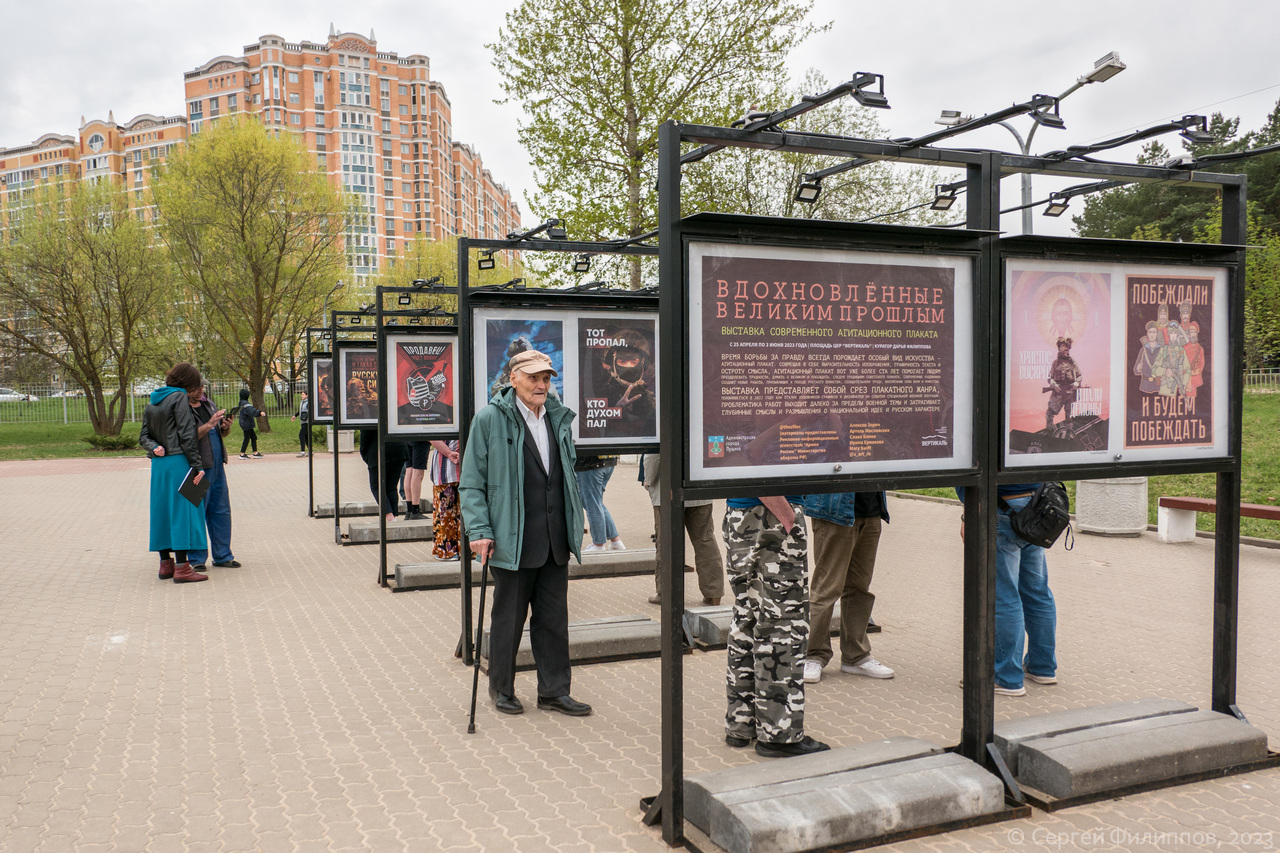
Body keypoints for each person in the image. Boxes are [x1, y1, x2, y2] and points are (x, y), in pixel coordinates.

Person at [460, 349, 590, 718]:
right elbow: (471, 484)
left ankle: (554, 691)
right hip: (511, 537)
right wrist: (479, 530)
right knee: (508, 619)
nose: (541, 385)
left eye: (546, 378)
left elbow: (563, 474)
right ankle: (502, 688)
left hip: (553, 538)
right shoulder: (489, 419)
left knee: (553, 620)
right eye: (533, 377)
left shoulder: (557, 418)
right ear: (513, 378)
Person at [722, 494, 828, 758]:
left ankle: (742, 722)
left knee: (747, 618)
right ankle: (779, 735)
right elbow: (758, 458)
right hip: (770, 516)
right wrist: (788, 517)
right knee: (782, 627)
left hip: (744, 515)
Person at [958, 484, 1057, 696]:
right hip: (1036, 503)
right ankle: (1042, 668)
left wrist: (967, 514)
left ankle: (1005, 677)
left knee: (1003, 594)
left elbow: (978, 469)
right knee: (1037, 592)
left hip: (1001, 506)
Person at [800, 491, 893, 683]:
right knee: (827, 587)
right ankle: (814, 655)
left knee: (860, 587)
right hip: (835, 511)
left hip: (872, 510)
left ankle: (856, 656)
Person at [137, 362, 209, 584]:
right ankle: (182, 568)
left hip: (159, 466)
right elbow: (188, 435)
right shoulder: (179, 398)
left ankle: (165, 564)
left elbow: (143, 436)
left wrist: (153, 448)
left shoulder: (153, 401)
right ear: (188, 382)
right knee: (183, 511)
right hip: (179, 462)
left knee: (162, 511)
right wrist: (197, 466)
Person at [639, 452, 724, 607]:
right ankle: (714, 592)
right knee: (705, 540)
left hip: (668, 491)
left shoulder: (661, 425)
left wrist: (648, 480)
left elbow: (654, 455)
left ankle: (665, 592)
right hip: (700, 487)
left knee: (666, 543)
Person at [187, 386, 240, 571]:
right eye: (197, 387)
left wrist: (224, 427)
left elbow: (219, 433)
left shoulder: (208, 403)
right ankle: (196, 558)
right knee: (196, 512)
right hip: (198, 468)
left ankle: (223, 555)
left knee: (221, 511)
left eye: (203, 387)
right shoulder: (183, 408)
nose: (201, 391)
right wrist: (209, 424)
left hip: (217, 465)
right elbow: (187, 437)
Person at [575, 454, 625, 552]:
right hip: (608, 460)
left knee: (592, 503)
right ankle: (615, 541)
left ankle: (598, 544)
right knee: (595, 502)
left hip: (589, 463)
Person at [358, 429, 409, 521]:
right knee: (391, 487)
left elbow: (365, 437)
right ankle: (393, 516)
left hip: (378, 451)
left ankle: (389, 516)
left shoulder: (371, 415)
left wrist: (366, 455)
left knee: (376, 486)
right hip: (399, 449)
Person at [428, 439, 461, 560]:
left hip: (461, 467)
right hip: (445, 468)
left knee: (456, 511)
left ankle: (455, 550)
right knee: (445, 511)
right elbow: (432, 436)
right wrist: (449, 453)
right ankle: (449, 550)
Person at [1045, 337, 1081, 431]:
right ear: (1059, 348)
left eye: (1067, 347)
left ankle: (1068, 438)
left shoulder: (1073, 362)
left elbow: (1079, 375)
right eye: (1063, 347)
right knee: (1049, 414)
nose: (1066, 349)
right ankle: (1050, 435)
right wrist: (1054, 385)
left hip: (1070, 393)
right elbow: (1050, 377)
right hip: (1058, 392)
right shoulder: (1055, 363)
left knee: (1069, 417)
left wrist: (1077, 382)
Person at [404, 441, 430, 520]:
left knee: (409, 471)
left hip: (408, 437)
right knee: (418, 473)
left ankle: (409, 510)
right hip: (420, 439)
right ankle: (415, 510)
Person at [237, 389, 264, 458]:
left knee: (253, 437)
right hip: (247, 423)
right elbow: (251, 411)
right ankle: (242, 454)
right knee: (247, 438)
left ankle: (255, 452)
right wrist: (259, 413)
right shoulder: (245, 404)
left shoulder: (242, 402)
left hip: (246, 423)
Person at [292, 390, 311, 456]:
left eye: (303, 394)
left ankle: (302, 451)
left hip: (307, 422)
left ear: (307, 395)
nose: (301, 396)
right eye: (302, 394)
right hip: (303, 421)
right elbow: (301, 411)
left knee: (301, 435)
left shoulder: (308, 403)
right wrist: (295, 415)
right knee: (306, 436)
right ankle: (310, 451)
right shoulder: (302, 402)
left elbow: (311, 411)